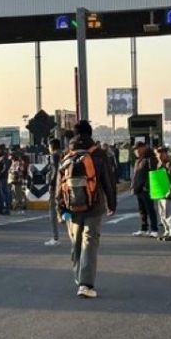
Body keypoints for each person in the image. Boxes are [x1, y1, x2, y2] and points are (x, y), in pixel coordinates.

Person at [55, 121, 116, 299]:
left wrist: (59, 208)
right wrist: (112, 204)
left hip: (72, 207)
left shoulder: (67, 155)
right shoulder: (99, 154)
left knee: (76, 242)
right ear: (90, 134)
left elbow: (59, 184)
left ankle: (79, 276)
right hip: (94, 206)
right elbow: (108, 181)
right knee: (89, 241)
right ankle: (85, 284)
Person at [131, 142, 159, 238]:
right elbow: (135, 175)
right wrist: (133, 186)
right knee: (142, 210)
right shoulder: (138, 160)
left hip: (145, 188)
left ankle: (154, 229)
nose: (136, 151)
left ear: (143, 148)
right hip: (138, 188)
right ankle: (144, 229)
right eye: (135, 150)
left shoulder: (150, 158)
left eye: (138, 149)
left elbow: (153, 173)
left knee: (150, 209)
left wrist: (147, 186)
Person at [154, 147, 171, 241]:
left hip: (168, 192)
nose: (159, 156)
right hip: (161, 192)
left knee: (170, 213)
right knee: (162, 213)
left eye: (162, 154)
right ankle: (167, 231)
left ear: (166, 154)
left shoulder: (170, 165)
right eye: (158, 154)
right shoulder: (159, 164)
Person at [45, 139, 63, 246]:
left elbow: (55, 171)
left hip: (55, 187)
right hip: (64, 186)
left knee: (52, 211)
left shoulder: (54, 156)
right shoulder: (64, 154)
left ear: (52, 146)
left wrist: (51, 184)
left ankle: (55, 237)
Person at [0, 145, 12, 215]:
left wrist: (0, 174)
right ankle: (0, 208)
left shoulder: (4, 158)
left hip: (2, 178)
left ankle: (6, 208)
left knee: (4, 193)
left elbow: (5, 168)